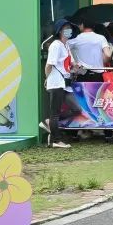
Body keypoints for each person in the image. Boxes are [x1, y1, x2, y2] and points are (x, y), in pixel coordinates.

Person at [68, 18, 113, 143]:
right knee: (100, 103)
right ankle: (108, 134)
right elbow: (107, 55)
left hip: (82, 75)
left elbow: (65, 48)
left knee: (80, 103)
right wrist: (101, 60)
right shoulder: (100, 38)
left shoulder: (76, 39)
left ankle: (75, 133)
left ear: (82, 25)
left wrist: (74, 61)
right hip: (98, 75)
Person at [43, 19, 74, 149]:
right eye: (66, 28)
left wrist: (76, 67)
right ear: (60, 31)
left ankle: (49, 122)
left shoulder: (66, 45)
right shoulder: (56, 45)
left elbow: (69, 64)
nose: (69, 30)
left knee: (75, 109)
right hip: (56, 82)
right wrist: (47, 79)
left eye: (69, 28)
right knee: (55, 113)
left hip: (64, 83)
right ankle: (56, 140)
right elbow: (49, 65)